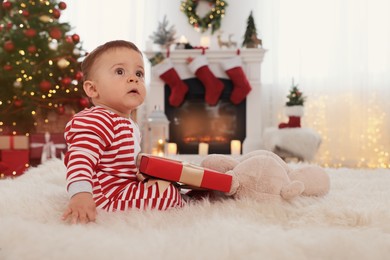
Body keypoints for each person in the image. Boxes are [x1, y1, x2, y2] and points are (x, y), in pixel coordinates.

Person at [62, 40, 184, 224]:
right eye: (120, 72)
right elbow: (80, 158)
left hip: (125, 187)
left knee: (170, 181)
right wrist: (80, 194)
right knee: (167, 195)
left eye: (139, 73)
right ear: (93, 89)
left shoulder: (128, 124)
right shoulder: (97, 119)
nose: (133, 78)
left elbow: (124, 164)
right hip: (106, 198)